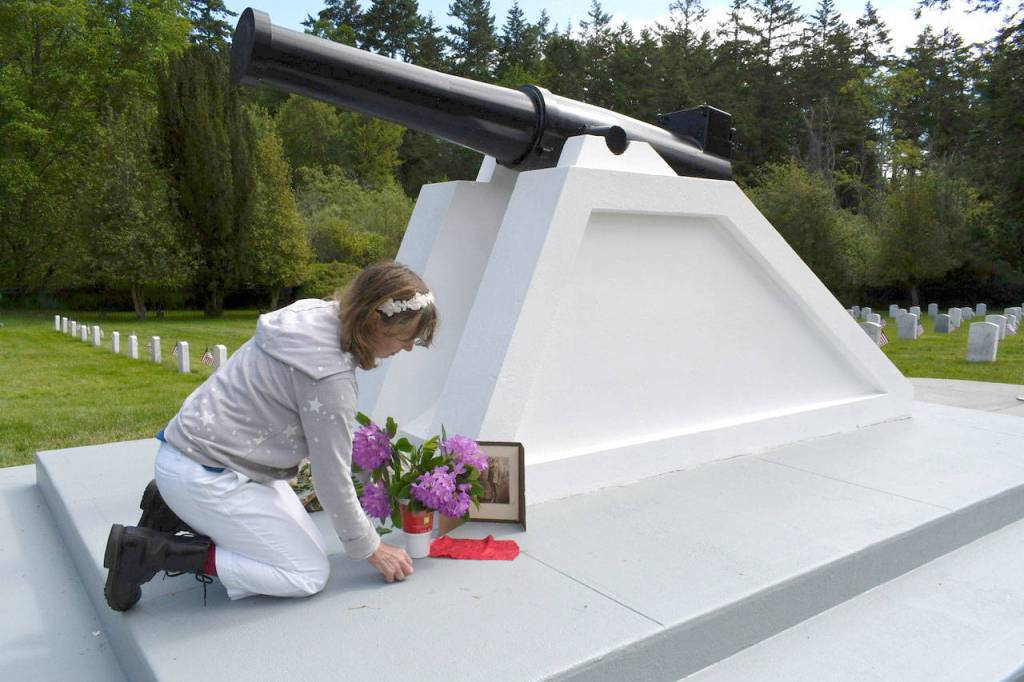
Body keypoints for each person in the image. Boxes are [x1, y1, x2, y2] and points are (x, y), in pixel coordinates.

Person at [103, 261, 437, 611]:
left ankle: (172, 509)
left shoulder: (311, 313)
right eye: (405, 337)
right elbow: (331, 479)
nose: (409, 347)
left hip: (198, 454)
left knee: (306, 546)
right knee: (305, 573)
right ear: (373, 322)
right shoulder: (329, 378)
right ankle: (148, 552)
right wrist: (371, 547)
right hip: (208, 476)